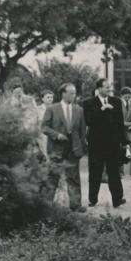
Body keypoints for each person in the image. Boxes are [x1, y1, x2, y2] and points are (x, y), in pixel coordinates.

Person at [41, 83, 86, 212]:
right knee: (52, 177)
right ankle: (46, 204)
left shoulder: (79, 110)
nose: (74, 95)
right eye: (71, 93)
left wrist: (80, 147)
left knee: (74, 178)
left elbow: (83, 131)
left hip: (73, 149)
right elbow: (44, 127)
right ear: (63, 94)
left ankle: (76, 204)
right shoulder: (52, 109)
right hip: (57, 148)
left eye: (75, 93)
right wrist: (56, 135)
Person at [83, 78, 126, 208]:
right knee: (95, 172)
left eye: (110, 87)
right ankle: (93, 198)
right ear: (99, 88)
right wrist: (102, 109)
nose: (109, 89)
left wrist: (123, 142)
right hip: (96, 144)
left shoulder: (116, 102)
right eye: (106, 87)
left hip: (113, 144)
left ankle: (117, 199)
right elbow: (89, 121)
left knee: (114, 172)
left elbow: (120, 123)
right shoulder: (89, 103)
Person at [35, 89, 54, 158]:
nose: (50, 99)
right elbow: (35, 122)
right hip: (42, 136)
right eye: (48, 97)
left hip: (53, 135)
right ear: (42, 98)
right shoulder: (38, 109)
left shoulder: (55, 108)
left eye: (51, 97)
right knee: (43, 155)